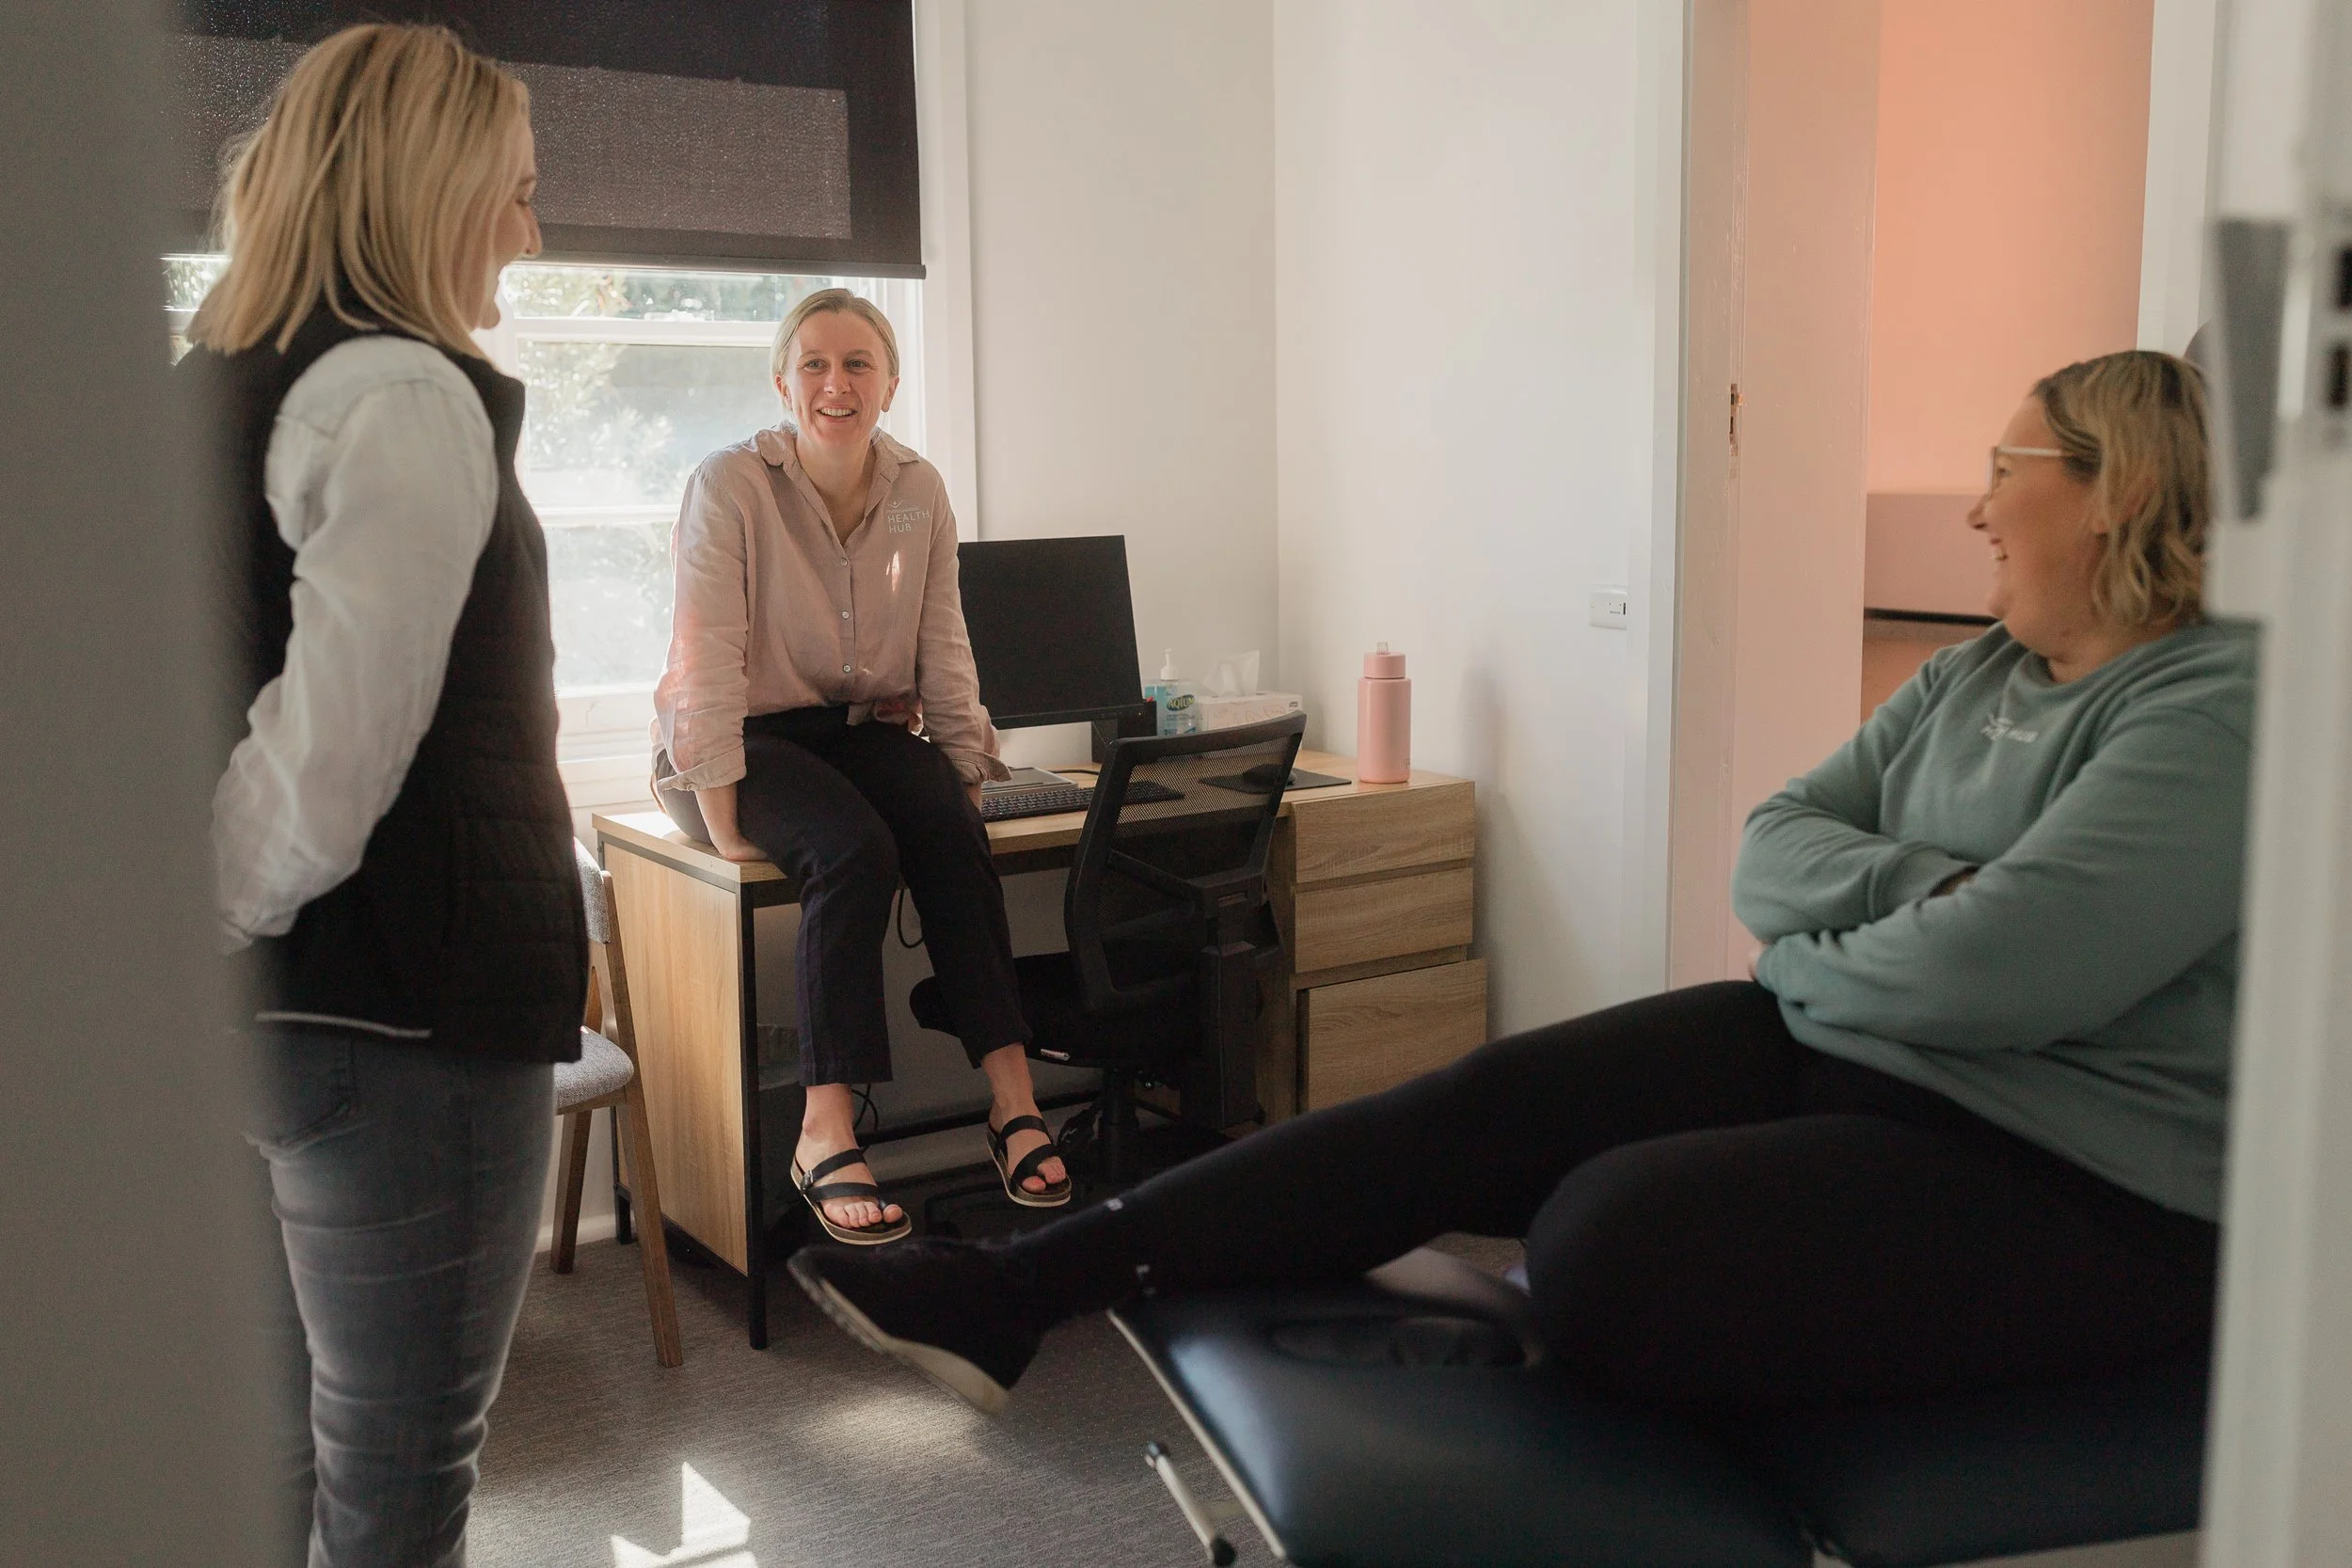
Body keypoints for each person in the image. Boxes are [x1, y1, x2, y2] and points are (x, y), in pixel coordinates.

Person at [790, 350, 2247, 1418]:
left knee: (1602, 1238)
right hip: (1838, 1039)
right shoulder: (1973, 671)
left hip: (2065, 1168)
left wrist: (1830, 947)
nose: (1980, 507)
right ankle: (1011, 1291)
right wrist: (1928, 889)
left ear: (2115, 490)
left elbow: (2000, 971)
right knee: (1462, 1106)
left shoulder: (2211, 708)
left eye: (2008, 467)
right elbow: (1772, 847)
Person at [184, 25, 579, 1566]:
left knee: (273, 1454)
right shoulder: (403, 395)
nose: (530, 234)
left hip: (266, 1026)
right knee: (399, 1484)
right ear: (429, 190)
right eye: (518, 193)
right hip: (406, 1025)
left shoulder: (214, 384)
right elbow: (328, 763)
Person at [652, 289, 1068, 1243]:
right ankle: (823, 1129)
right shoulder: (731, 484)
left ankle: (1013, 1104)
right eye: (814, 364)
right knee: (852, 850)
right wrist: (724, 819)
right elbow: (705, 658)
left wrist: (961, 777)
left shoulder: (919, 490)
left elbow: (943, 644)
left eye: (856, 364)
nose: (834, 383)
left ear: (890, 383)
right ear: (782, 383)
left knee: (950, 830)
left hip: (849, 732)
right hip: (738, 741)